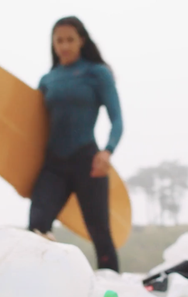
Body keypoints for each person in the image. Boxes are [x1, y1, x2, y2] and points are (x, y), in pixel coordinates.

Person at [28, 16, 124, 272]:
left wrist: (108, 150)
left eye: (70, 39)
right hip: (53, 165)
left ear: (81, 40)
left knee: (99, 230)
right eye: (59, 40)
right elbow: (34, 126)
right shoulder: (48, 80)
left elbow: (117, 119)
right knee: (36, 227)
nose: (65, 46)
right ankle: (42, 282)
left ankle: (113, 289)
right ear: (53, 43)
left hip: (87, 161)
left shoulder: (97, 73)